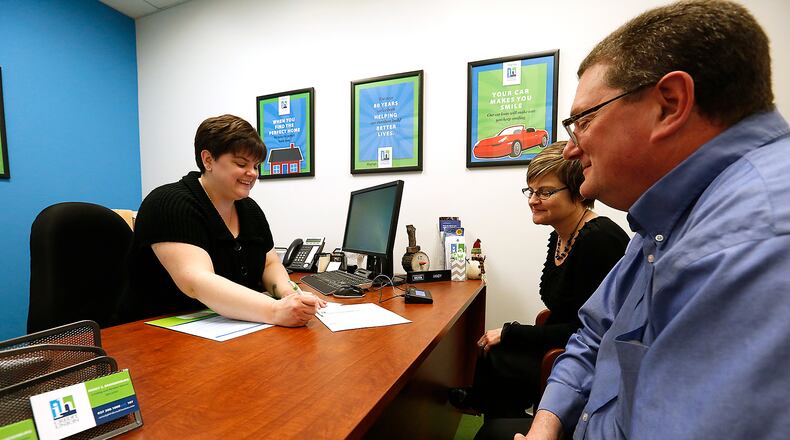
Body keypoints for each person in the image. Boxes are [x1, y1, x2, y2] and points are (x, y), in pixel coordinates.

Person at [517, 1, 790, 438]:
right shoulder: (666, 219)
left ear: (670, 103)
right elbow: (592, 333)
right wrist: (545, 426)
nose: (570, 148)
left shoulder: (755, 238)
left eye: (583, 121)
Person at [449, 142, 629, 421]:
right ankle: (495, 413)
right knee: (492, 350)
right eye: (531, 191)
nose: (533, 200)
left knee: (499, 352)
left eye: (545, 192)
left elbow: (590, 331)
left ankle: (500, 418)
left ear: (579, 191)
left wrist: (512, 332)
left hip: (589, 357)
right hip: (565, 340)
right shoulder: (561, 235)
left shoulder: (599, 239)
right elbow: (562, 313)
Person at [122, 114, 325, 327]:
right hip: (155, 335)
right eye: (241, 163)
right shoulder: (168, 203)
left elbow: (269, 262)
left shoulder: (249, 209)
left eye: (256, 166)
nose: (252, 173)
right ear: (208, 160)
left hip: (225, 329)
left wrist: (288, 294)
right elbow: (197, 281)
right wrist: (274, 310)